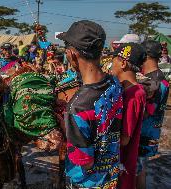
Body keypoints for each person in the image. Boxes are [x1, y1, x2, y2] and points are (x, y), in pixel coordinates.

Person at [57, 20, 123, 188]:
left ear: (71, 54)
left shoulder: (77, 107)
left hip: (87, 183)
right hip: (111, 177)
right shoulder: (114, 84)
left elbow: (84, 162)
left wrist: (65, 125)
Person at [110, 43, 147, 189]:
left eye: (114, 59)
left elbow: (124, 139)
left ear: (123, 63)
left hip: (123, 161)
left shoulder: (134, 95)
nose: (111, 64)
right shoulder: (133, 90)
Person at [137, 40, 170, 189]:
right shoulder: (160, 77)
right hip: (151, 132)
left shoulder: (152, 81)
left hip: (143, 134)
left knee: (138, 171)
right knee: (141, 169)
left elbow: (145, 113)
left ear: (146, 56)